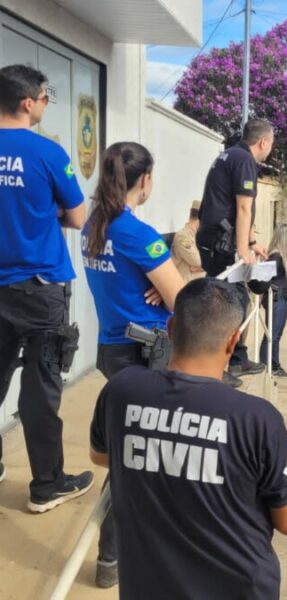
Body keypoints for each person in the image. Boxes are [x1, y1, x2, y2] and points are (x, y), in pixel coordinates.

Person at [89, 278, 287, 600]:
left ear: (172, 327)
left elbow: (102, 456)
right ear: (234, 341)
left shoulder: (122, 389)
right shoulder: (258, 418)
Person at [82, 141, 185, 588]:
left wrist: (157, 279)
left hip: (112, 348)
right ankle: (113, 555)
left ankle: (115, 555)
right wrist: (167, 283)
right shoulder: (136, 233)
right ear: (144, 180)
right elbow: (184, 299)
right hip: (147, 352)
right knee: (142, 457)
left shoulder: (95, 224)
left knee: (133, 450)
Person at [0, 64, 94, 513]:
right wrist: (43, 213)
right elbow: (78, 217)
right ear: (27, 103)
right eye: (44, 95)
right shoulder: (47, 154)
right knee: (39, 391)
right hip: (40, 289)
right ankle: (46, 485)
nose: (47, 101)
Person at [196, 119, 274, 386]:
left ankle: (237, 358)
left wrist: (251, 242)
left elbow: (239, 210)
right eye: (271, 144)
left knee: (238, 299)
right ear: (263, 142)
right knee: (229, 303)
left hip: (216, 238)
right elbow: (242, 208)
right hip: (221, 242)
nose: (270, 150)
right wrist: (243, 250)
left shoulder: (231, 154)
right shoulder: (244, 160)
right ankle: (219, 364)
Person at [258, 223, 287, 377]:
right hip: (276, 299)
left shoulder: (281, 256)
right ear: (284, 236)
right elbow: (263, 279)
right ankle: (266, 364)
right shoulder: (276, 256)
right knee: (272, 334)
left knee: (276, 335)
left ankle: (274, 364)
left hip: (282, 299)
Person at [171, 200, 205, 282]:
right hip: (185, 287)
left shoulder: (199, 236)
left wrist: (202, 268)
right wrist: (205, 266)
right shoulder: (182, 236)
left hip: (198, 285)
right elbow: (197, 261)